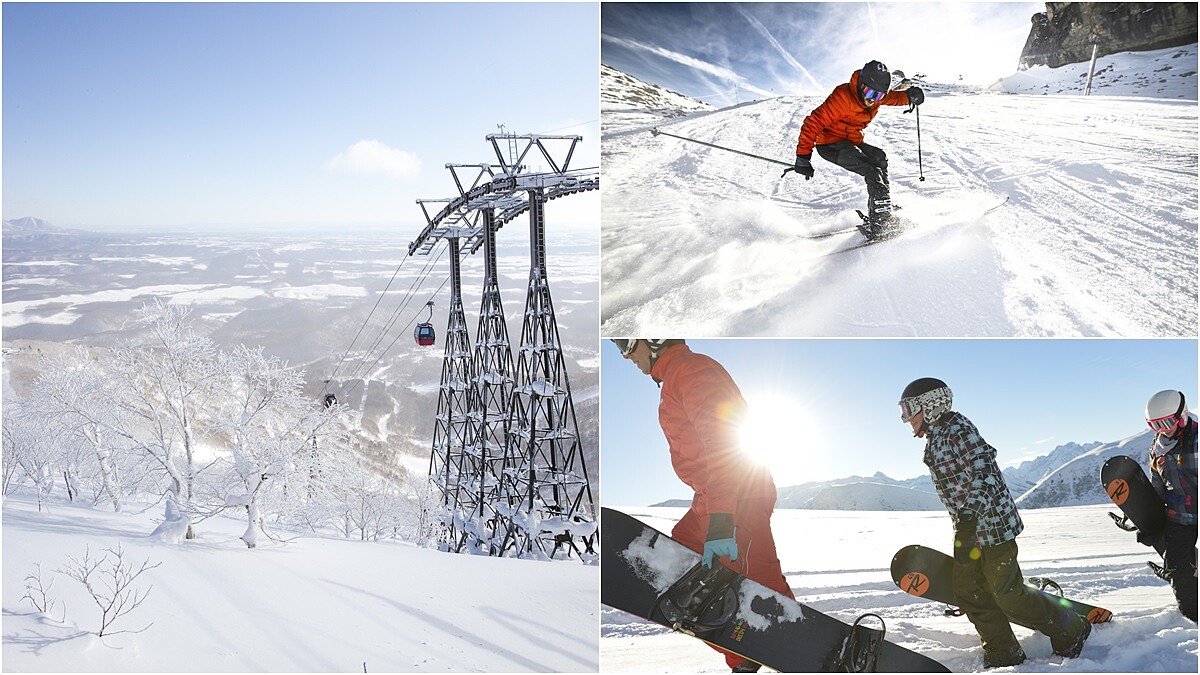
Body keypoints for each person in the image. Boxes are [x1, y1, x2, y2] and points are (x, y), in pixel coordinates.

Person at [612, 339, 792, 674]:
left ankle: (782, 649)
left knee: (763, 591)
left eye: (625, 343)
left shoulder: (692, 370)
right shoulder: (677, 376)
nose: (624, 356)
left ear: (654, 339)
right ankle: (748, 652)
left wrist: (722, 517)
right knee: (681, 565)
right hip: (714, 497)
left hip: (738, 496)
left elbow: (724, 439)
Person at [898, 377, 1091, 668]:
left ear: (931, 405)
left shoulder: (957, 430)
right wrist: (965, 521)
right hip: (968, 530)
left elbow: (985, 472)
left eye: (909, 409)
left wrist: (971, 513)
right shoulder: (936, 436)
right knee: (968, 591)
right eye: (903, 410)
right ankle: (1004, 652)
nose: (906, 418)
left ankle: (1071, 628)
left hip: (992, 527)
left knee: (1007, 595)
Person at [791, 60, 925, 239]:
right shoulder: (843, 97)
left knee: (879, 158)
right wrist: (803, 156)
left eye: (878, 96)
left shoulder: (877, 95)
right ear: (861, 85)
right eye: (869, 93)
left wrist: (910, 97)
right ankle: (880, 225)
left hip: (850, 139)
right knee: (872, 170)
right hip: (830, 144)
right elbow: (813, 122)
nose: (872, 99)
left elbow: (893, 98)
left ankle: (881, 207)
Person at [1142, 389, 1198, 622]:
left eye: (1166, 422)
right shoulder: (1158, 447)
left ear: (1181, 415)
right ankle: (1194, 614)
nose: (1162, 430)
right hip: (1180, 515)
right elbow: (1158, 485)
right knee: (1177, 570)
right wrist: (1150, 520)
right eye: (1155, 426)